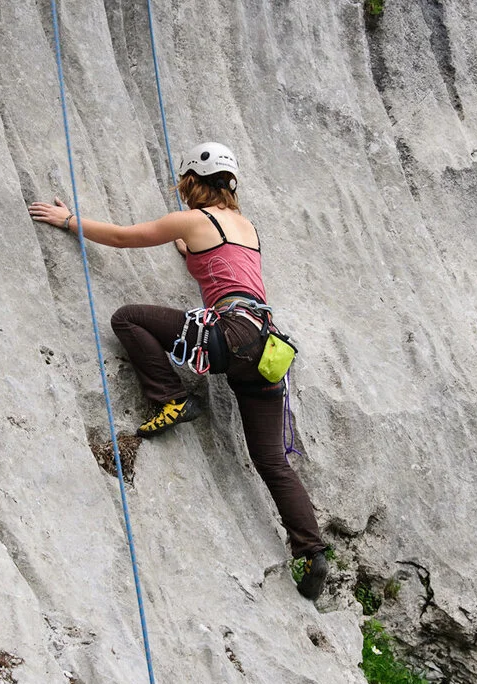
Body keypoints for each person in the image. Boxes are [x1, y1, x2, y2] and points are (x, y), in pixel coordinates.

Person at [28, 142, 329, 599]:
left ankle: (172, 398)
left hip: (232, 335)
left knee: (127, 317)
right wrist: (190, 254)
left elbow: (124, 237)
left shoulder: (193, 219)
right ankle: (311, 551)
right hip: (265, 346)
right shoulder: (247, 227)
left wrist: (70, 221)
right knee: (271, 461)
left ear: (191, 181)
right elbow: (221, 273)